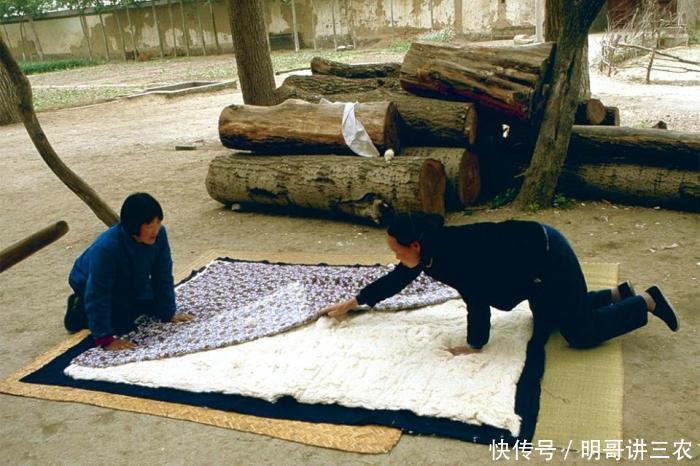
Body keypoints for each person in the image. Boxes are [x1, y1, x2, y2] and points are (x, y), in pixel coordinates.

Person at [321, 212, 679, 355]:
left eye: (397, 251)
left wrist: (474, 346)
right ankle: (618, 294)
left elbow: (476, 301)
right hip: (527, 267)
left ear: (413, 246)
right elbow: (398, 278)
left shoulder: (452, 255)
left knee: (580, 335)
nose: (397, 258)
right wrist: (356, 301)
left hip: (547, 255)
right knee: (548, 319)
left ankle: (645, 300)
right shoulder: (427, 249)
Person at [64, 193, 193, 351]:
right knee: (122, 323)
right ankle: (78, 307)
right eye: (149, 225)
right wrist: (106, 339)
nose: (155, 230)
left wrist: (168, 312)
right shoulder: (106, 248)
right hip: (89, 282)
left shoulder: (160, 235)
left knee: (150, 305)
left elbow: (163, 274)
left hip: (130, 278)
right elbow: (98, 292)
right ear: (134, 225)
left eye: (158, 223)